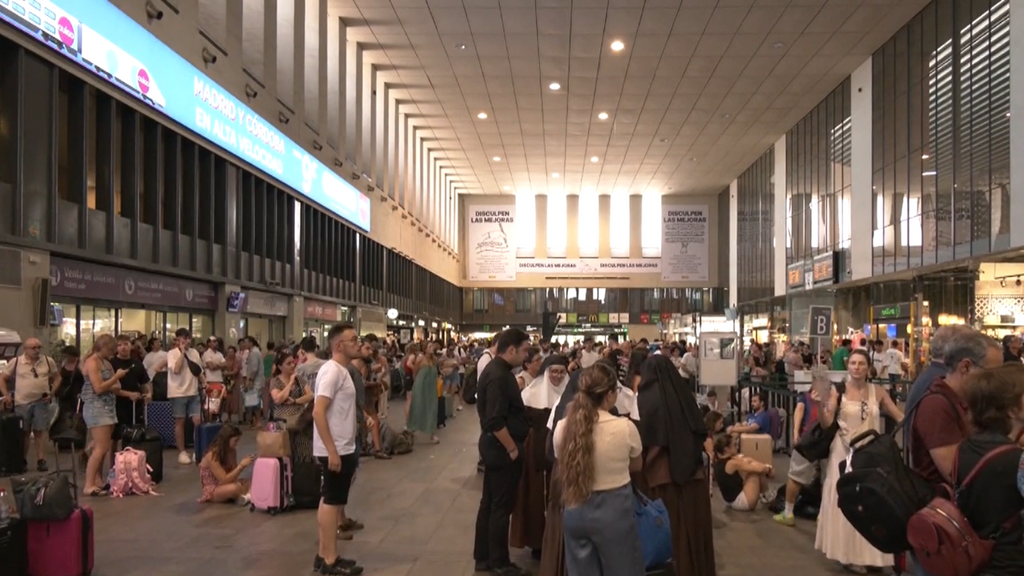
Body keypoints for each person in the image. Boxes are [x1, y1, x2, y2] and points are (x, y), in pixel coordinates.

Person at [815, 349, 904, 573]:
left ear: (868, 367)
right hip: (843, 453)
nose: (856, 367)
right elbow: (827, 422)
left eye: (861, 363)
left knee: (871, 502)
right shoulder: (839, 391)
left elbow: (898, 416)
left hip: (869, 455)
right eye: (853, 363)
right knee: (846, 501)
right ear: (848, 366)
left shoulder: (878, 391)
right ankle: (848, 554)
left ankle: (873, 554)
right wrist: (819, 405)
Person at [553, 363, 644, 576]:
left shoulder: (563, 428)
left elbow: (561, 461)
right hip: (615, 510)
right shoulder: (625, 428)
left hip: (574, 506)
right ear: (610, 395)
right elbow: (637, 466)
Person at [636, 354, 716, 576]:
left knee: (667, 541)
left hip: (661, 483)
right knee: (691, 539)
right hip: (692, 479)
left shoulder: (647, 400)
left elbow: (646, 442)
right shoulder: (684, 398)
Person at [955, 363, 1024, 575]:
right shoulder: (1017, 460)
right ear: (1012, 410)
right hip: (1011, 563)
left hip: (977, 558)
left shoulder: (966, 447)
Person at [473, 328, 531, 576]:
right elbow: (495, 420)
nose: (526, 355)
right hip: (501, 448)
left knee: (490, 504)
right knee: (499, 507)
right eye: (525, 350)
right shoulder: (499, 375)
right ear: (511, 349)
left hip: (495, 446)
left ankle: (484, 557)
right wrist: (512, 448)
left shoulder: (499, 371)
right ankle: (499, 561)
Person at [311, 324, 364, 576]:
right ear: (338, 345)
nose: (358, 343)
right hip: (337, 449)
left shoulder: (339, 371)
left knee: (328, 500)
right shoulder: (332, 372)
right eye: (353, 339)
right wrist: (332, 450)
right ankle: (331, 560)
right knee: (332, 502)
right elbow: (318, 411)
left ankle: (323, 555)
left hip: (341, 445)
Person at [510, 355, 569, 555]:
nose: (558, 376)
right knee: (536, 498)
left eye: (562, 372)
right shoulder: (530, 394)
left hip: (562, 456)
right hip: (536, 454)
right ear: (546, 372)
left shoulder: (570, 395)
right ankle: (537, 542)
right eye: (554, 371)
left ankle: (559, 540)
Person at [0, 337, 61, 472]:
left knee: (40, 431)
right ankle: (22, 459)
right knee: (24, 432)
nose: (37, 350)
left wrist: (51, 393)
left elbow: (57, 377)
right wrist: (6, 395)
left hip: (41, 401)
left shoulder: (47, 361)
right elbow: (2, 378)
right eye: (33, 348)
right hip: (22, 402)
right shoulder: (16, 362)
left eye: (39, 347)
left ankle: (41, 459)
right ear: (25, 349)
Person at [79, 334, 127, 496]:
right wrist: (115, 378)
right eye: (111, 349)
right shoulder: (92, 362)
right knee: (100, 448)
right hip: (96, 407)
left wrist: (114, 381)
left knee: (104, 447)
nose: (113, 353)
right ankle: (89, 484)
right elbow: (98, 388)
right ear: (103, 347)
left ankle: (98, 479)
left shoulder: (106, 363)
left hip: (108, 407)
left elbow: (117, 387)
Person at [167, 328, 204, 464]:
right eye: (183, 339)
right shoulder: (171, 353)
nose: (187, 341)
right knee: (180, 422)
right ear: (177, 340)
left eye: (188, 338)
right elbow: (176, 370)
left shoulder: (194, 353)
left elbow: (199, 371)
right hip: (178, 393)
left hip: (193, 392)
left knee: (197, 421)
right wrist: (182, 353)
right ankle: (182, 452)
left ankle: (197, 449)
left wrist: (205, 384)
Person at [712, 432, 774, 511]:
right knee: (754, 473)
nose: (737, 447)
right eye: (734, 445)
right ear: (726, 449)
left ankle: (767, 494)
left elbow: (748, 460)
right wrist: (769, 469)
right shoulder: (732, 463)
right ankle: (768, 495)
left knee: (752, 467)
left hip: (729, 500)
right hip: (739, 502)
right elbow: (759, 469)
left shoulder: (719, 462)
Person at [110, 334, 151, 451]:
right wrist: (128, 394)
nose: (123, 347)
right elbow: (111, 388)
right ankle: (113, 466)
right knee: (115, 437)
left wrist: (148, 393)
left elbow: (145, 382)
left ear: (131, 346)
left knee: (136, 434)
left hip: (135, 405)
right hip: (117, 404)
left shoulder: (137, 363)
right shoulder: (111, 363)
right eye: (120, 345)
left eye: (126, 344)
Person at [197, 424, 253, 505]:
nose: (236, 443)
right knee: (235, 488)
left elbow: (233, 475)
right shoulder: (213, 455)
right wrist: (241, 466)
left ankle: (246, 497)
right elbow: (223, 480)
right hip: (214, 488)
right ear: (227, 440)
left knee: (251, 482)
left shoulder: (232, 452)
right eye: (235, 441)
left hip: (229, 483)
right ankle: (247, 494)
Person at [406, 342, 440, 444]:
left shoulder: (434, 360)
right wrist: (416, 382)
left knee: (432, 408)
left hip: (431, 387)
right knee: (417, 406)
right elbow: (415, 371)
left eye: (432, 346)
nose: (432, 348)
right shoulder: (420, 358)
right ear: (425, 349)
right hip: (421, 385)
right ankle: (412, 429)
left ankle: (432, 433)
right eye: (429, 346)